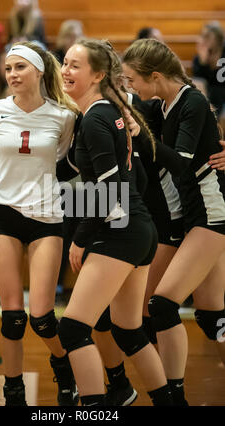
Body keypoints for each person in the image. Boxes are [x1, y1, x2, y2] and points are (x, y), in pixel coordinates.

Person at [57, 37, 174, 407]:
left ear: (98, 74)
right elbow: (133, 180)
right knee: (128, 330)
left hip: (120, 232)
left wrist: (80, 237)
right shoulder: (109, 112)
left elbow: (115, 190)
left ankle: (94, 410)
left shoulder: (96, 118)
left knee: (73, 329)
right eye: (64, 62)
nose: (65, 70)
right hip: (137, 229)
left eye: (75, 65)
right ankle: (168, 401)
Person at [0, 41, 79, 406]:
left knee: (43, 318)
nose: (13, 75)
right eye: (8, 69)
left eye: (20, 67)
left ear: (38, 71)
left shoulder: (64, 116)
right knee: (12, 317)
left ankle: (63, 363)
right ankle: (13, 392)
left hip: (47, 216)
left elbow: (67, 169)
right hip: (4, 215)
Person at [122, 37, 225, 405]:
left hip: (212, 214)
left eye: (133, 79)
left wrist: (139, 136)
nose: (130, 86)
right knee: (214, 319)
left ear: (153, 76)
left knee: (163, 305)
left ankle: (173, 397)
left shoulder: (192, 101)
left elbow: (180, 162)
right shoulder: (164, 104)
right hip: (190, 217)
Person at [192, 21, 225, 117]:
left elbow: (220, 82)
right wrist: (203, 62)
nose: (204, 40)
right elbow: (198, 81)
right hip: (207, 95)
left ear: (217, 38)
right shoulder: (199, 57)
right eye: (203, 36)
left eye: (207, 36)